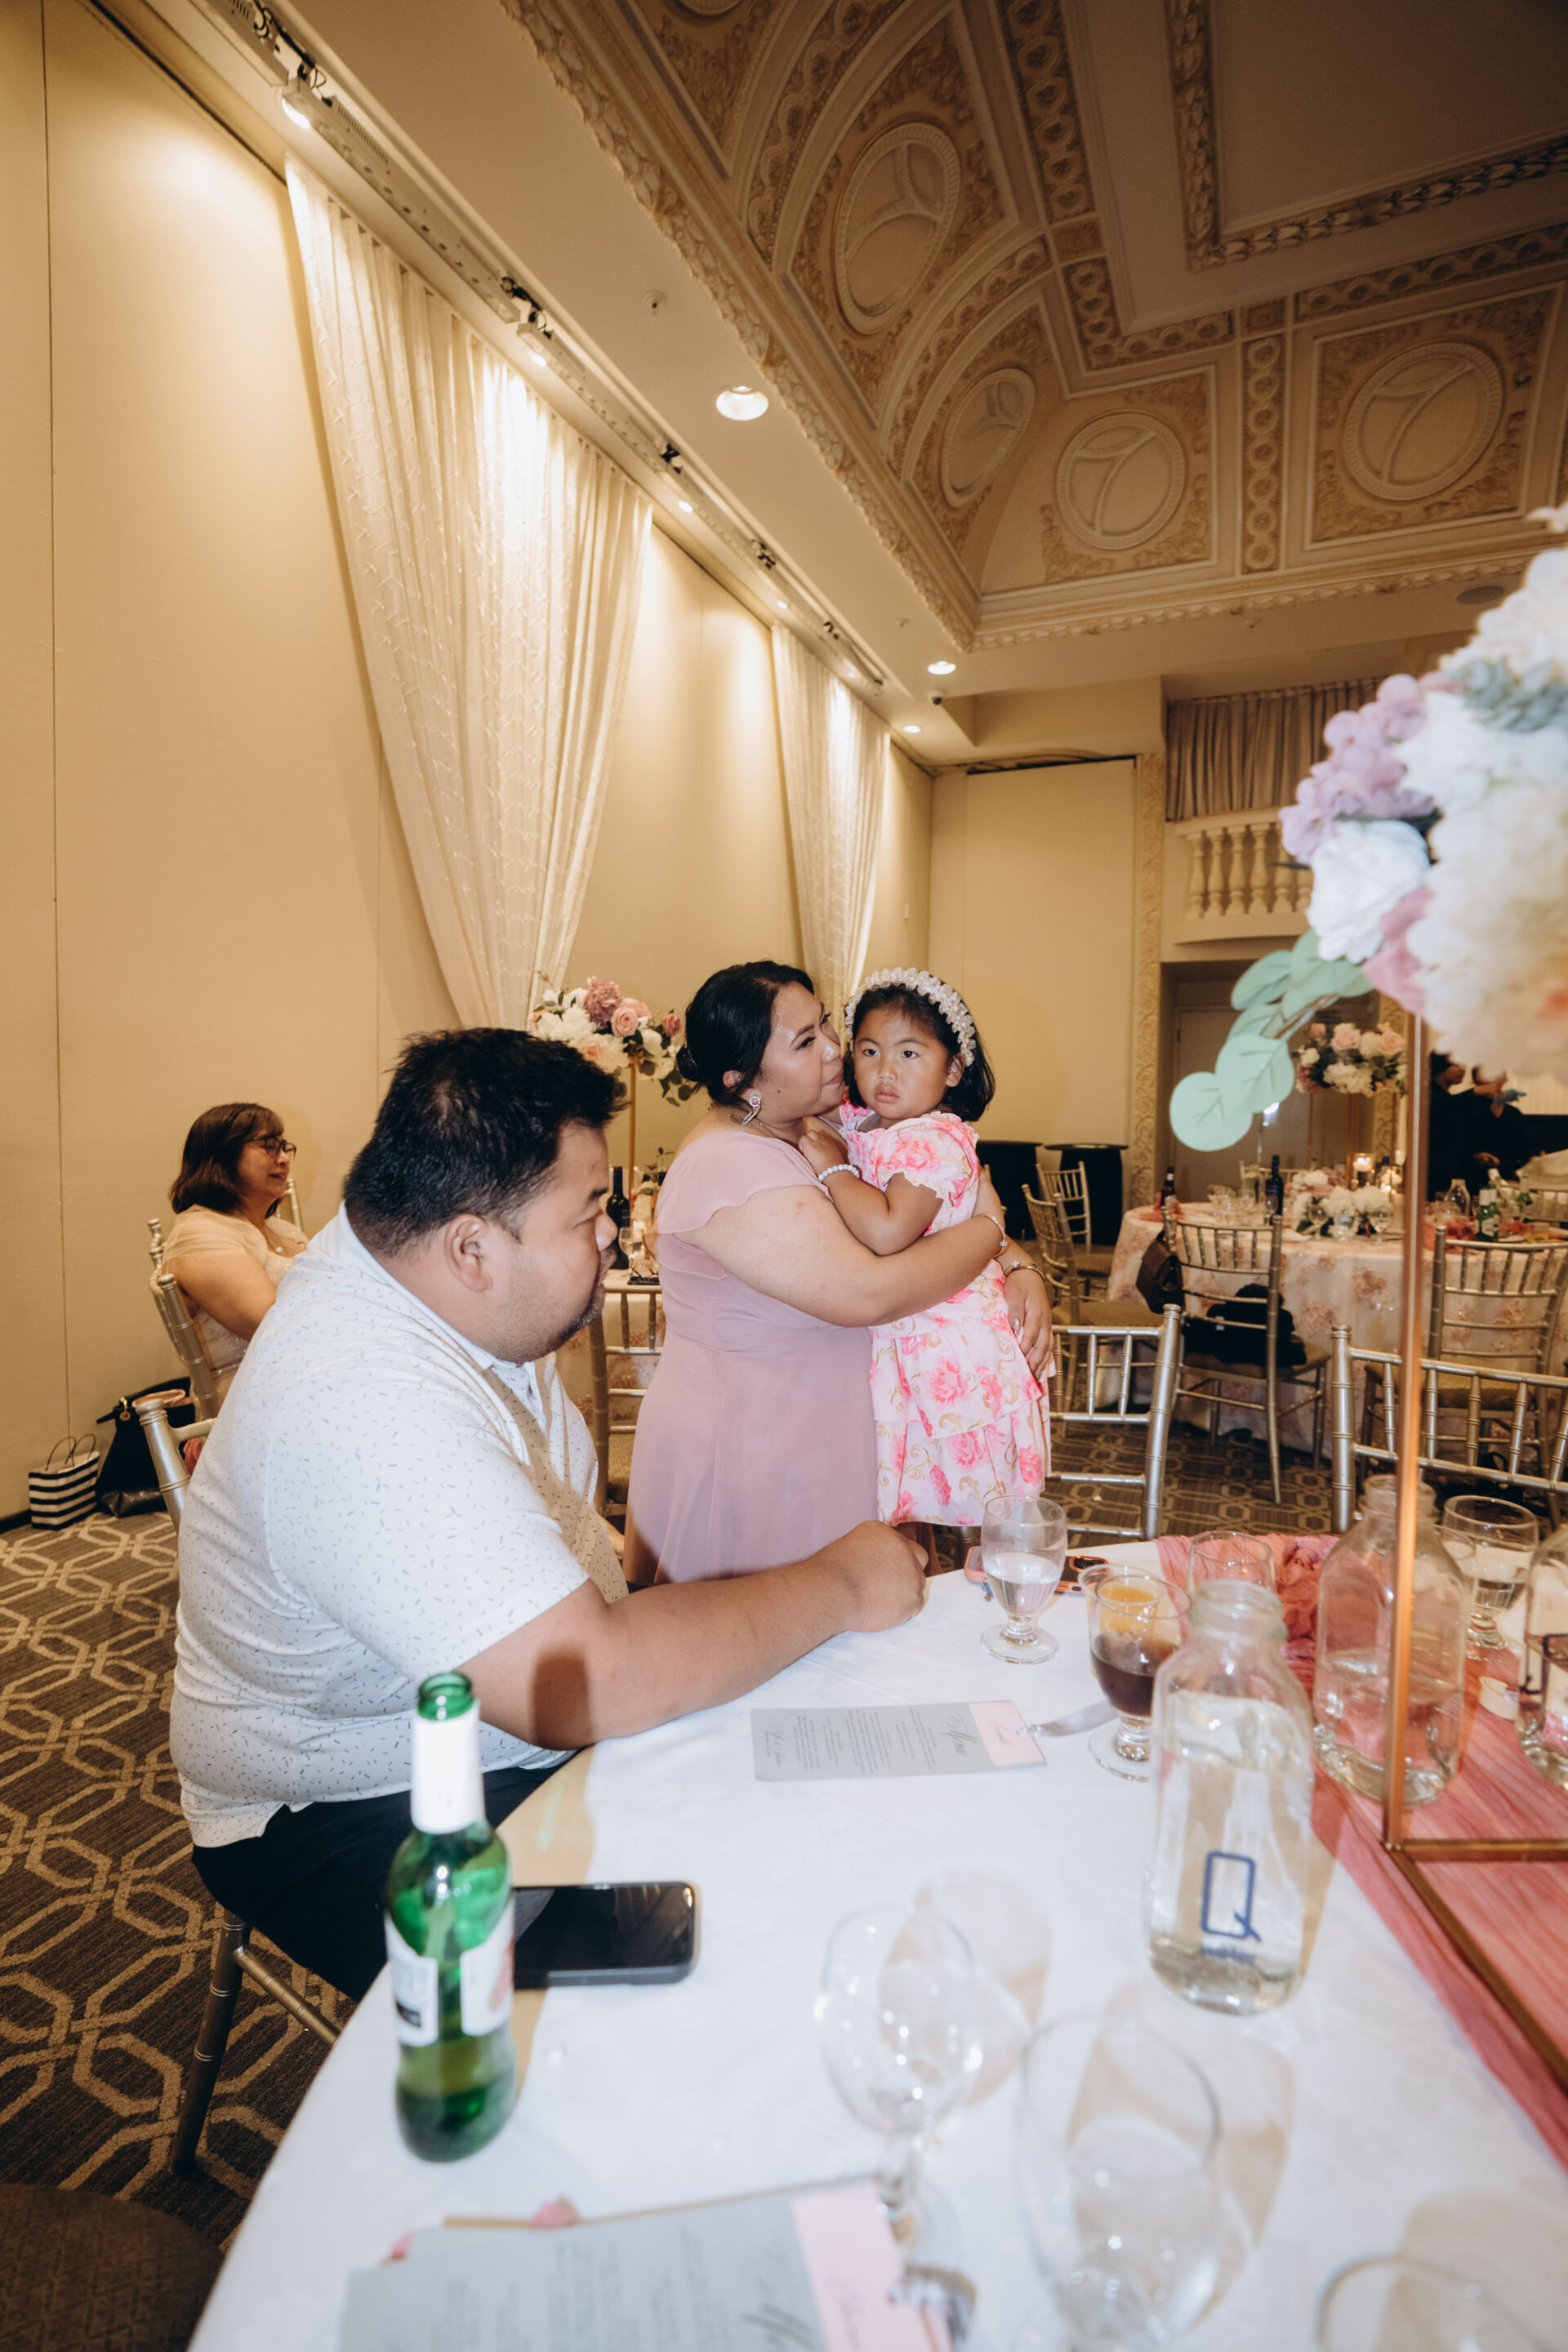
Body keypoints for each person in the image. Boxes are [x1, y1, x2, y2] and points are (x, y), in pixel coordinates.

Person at [169, 1029, 927, 1999]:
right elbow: (581, 1684)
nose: (611, 1235)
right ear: (473, 1247)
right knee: (717, 1962)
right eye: (591, 1212)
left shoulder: (431, 1281)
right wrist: (844, 1581)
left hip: (496, 1711)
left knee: (806, 1806)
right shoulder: (356, 1396)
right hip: (341, 1797)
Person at [624, 963, 1049, 1586]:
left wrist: (1017, 1263)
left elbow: (949, 1189)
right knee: (775, 1626)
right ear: (742, 1079)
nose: (834, 1049)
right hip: (760, 1446)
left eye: (825, 1023)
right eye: (805, 1042)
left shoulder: (822, 1125)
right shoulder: (730, 1166)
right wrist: (991, 1230)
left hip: (838, 1435)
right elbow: (871, 1292)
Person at [797, 969, 1047, 1530]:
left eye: (909, 1053)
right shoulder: (876, 1120)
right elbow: (822, 1113)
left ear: (953, 1069)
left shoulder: (931, 1140)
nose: (885, 1071)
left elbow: (889, 1231)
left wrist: (834, 1169)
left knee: (976, 1511)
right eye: (869, 1050)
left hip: (945, 1341)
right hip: (912, 1326)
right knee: (908, 1504)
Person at [159, 1104, 308, 1389]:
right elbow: (275, 1325)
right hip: (256, 1390)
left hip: (303, 1373)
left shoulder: (283, 1231)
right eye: (269, 1146)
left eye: (284, 1148)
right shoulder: (199, 1233)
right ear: (223, 1154)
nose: (283, 1159)